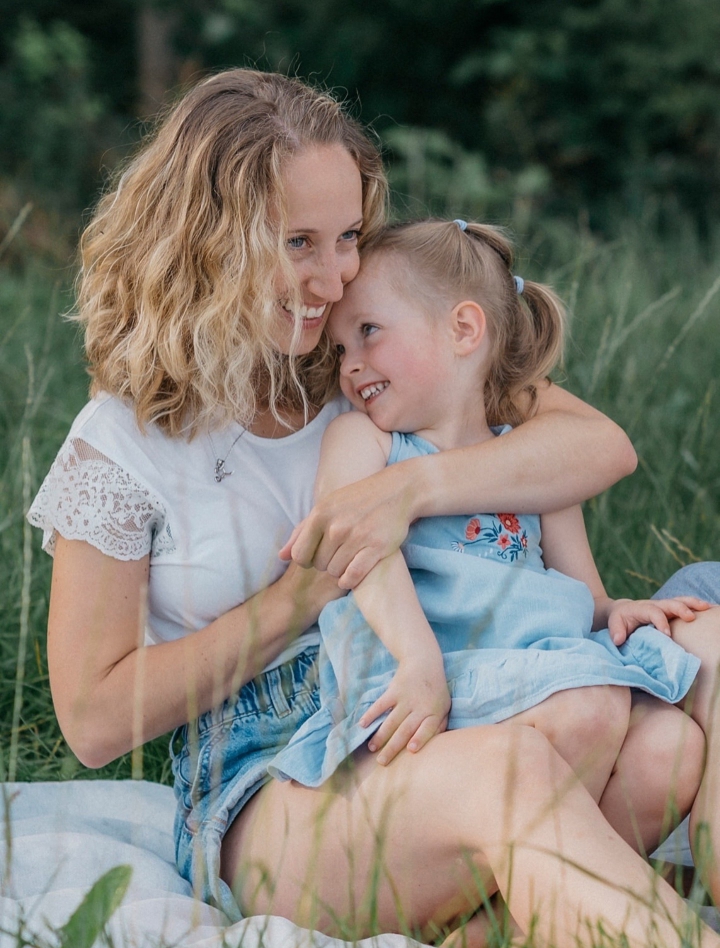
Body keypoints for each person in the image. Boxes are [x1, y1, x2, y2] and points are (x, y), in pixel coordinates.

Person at [26, 68, 720, 948]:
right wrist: (296, 600)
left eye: (349, 236)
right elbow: (89, 722)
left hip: (441, 712)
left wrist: (406, 492)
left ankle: (492, 932)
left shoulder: (358, 365)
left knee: (664, 745)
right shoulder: (124, 441)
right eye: (300, 243)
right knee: (509, 775)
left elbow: (598, 447)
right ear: (209, 240)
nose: (336, 275)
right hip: (271, 784)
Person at [269, 219, 719, 904]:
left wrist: (616, 610)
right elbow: (362, 557)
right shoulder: (365, 443)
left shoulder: (527, 458)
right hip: (432, 684)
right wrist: (417, 659)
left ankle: (527, 909)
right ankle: (531, 896)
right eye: (339, 347)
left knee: (673, 751)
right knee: (592, 706)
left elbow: (581, 594)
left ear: (464, 329)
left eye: (369, 332)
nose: (350, 364)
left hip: (543, 675)